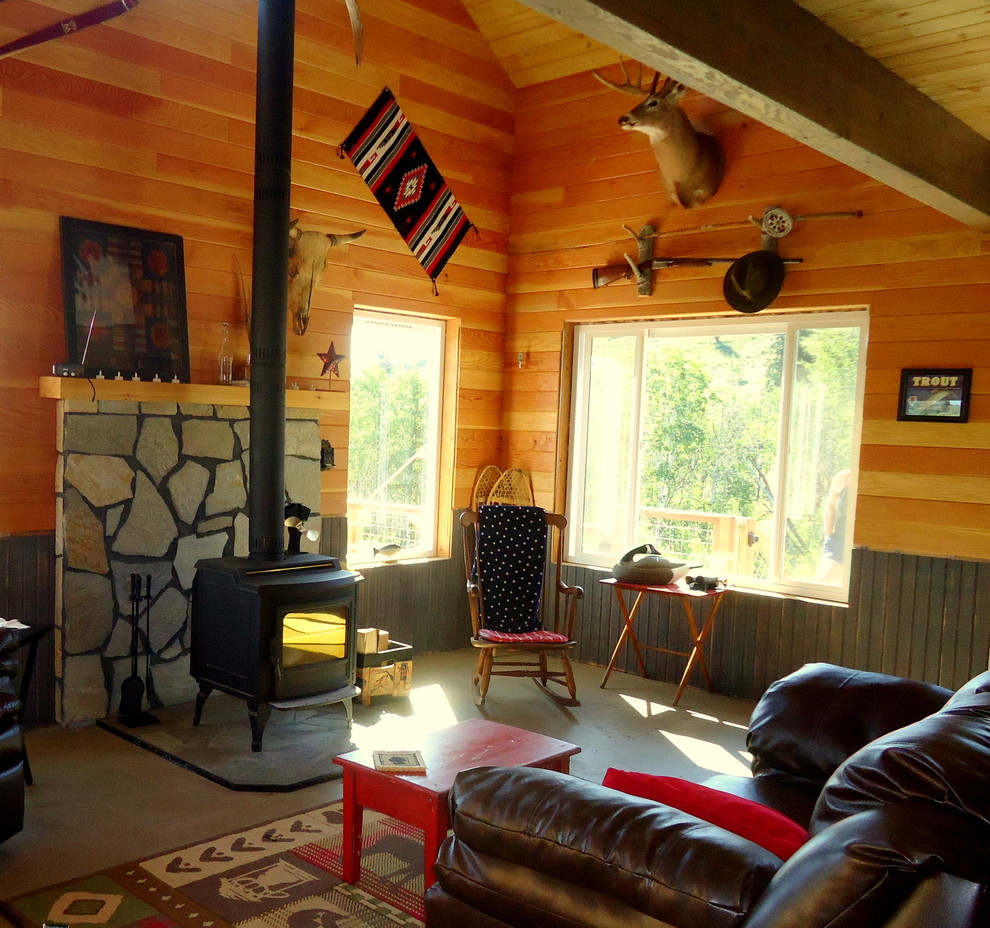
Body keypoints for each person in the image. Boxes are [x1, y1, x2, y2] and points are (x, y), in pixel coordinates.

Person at [816, 469, 850, 585]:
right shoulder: (844, 477)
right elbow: (830, 504)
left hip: (862, 545)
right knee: (824, 582)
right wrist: (828, 534)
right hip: (838, 542)